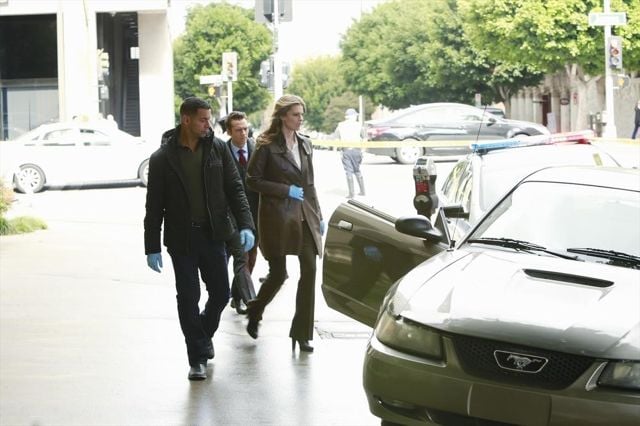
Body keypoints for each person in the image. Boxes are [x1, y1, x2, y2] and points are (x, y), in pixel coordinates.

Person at [143, 97, 255, 381]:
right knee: (189, 297)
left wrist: (246, 225)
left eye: (208, 119)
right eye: (203, 120)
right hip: (181, 239)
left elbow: (235, 189)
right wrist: (152, 245)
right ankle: (197, 358)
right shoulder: (162, 159)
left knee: (220, 293)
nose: (209, 124)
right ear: (187, 120)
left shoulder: (217, 148)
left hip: (214, 234)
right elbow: (153, 206)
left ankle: (202, 336)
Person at [245, 94, 324, 353]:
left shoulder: (305, 144)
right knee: (279, 274)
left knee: (310, 270)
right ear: (282, 116)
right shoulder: (266, 145)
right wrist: (284, 190)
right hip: (277, 217)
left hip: (304, 216)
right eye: (295, 114)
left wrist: (319, 216)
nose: (300, 119)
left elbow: (310, 185)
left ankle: (302, 332)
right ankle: (255, 310)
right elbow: (252, 180)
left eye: (302, 114)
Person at [224, 111, 259, 314]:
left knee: (251, 259)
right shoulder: (221, 151)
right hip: (231, 216)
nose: (243, 133)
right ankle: (251, 301)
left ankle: (236, 297)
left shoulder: (257, 149)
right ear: (229, 131)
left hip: (255, 214)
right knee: (241, 258)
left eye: (245, 129)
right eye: (238, 130)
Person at [335, 108, 365, 198]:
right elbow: (364, 138)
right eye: (355, 116)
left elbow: (336, 139)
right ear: (352, 117)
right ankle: (362, 191)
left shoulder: (340, 126)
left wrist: (339, 150)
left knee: (348, 171)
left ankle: (351, 194)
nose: (356, 117)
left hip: (346, 151)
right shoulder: (359, 125)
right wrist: (363, 150)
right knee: (357, 170)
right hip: (357, 150)